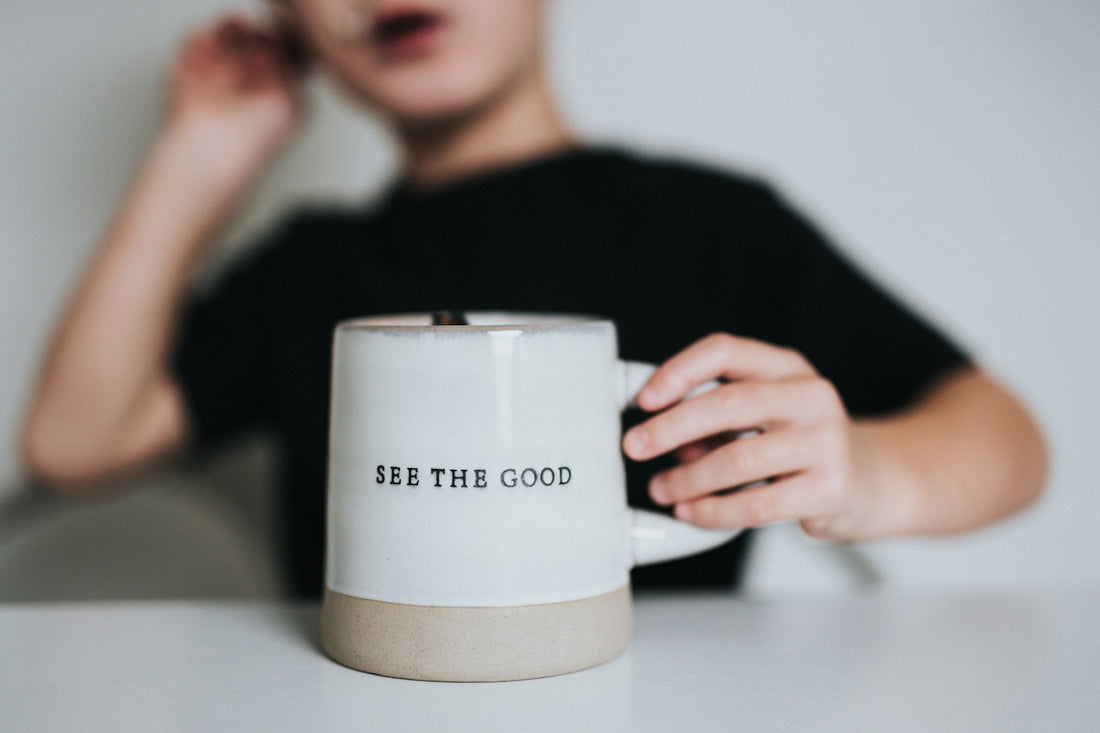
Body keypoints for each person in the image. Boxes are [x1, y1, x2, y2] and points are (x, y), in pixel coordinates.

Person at [20, 0, 1047, 597]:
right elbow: (75, 444)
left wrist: (863, 473)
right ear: (294, 28)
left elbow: (1005, 441)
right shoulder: (309, 269)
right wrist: (196, 159)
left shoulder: (711, 223)